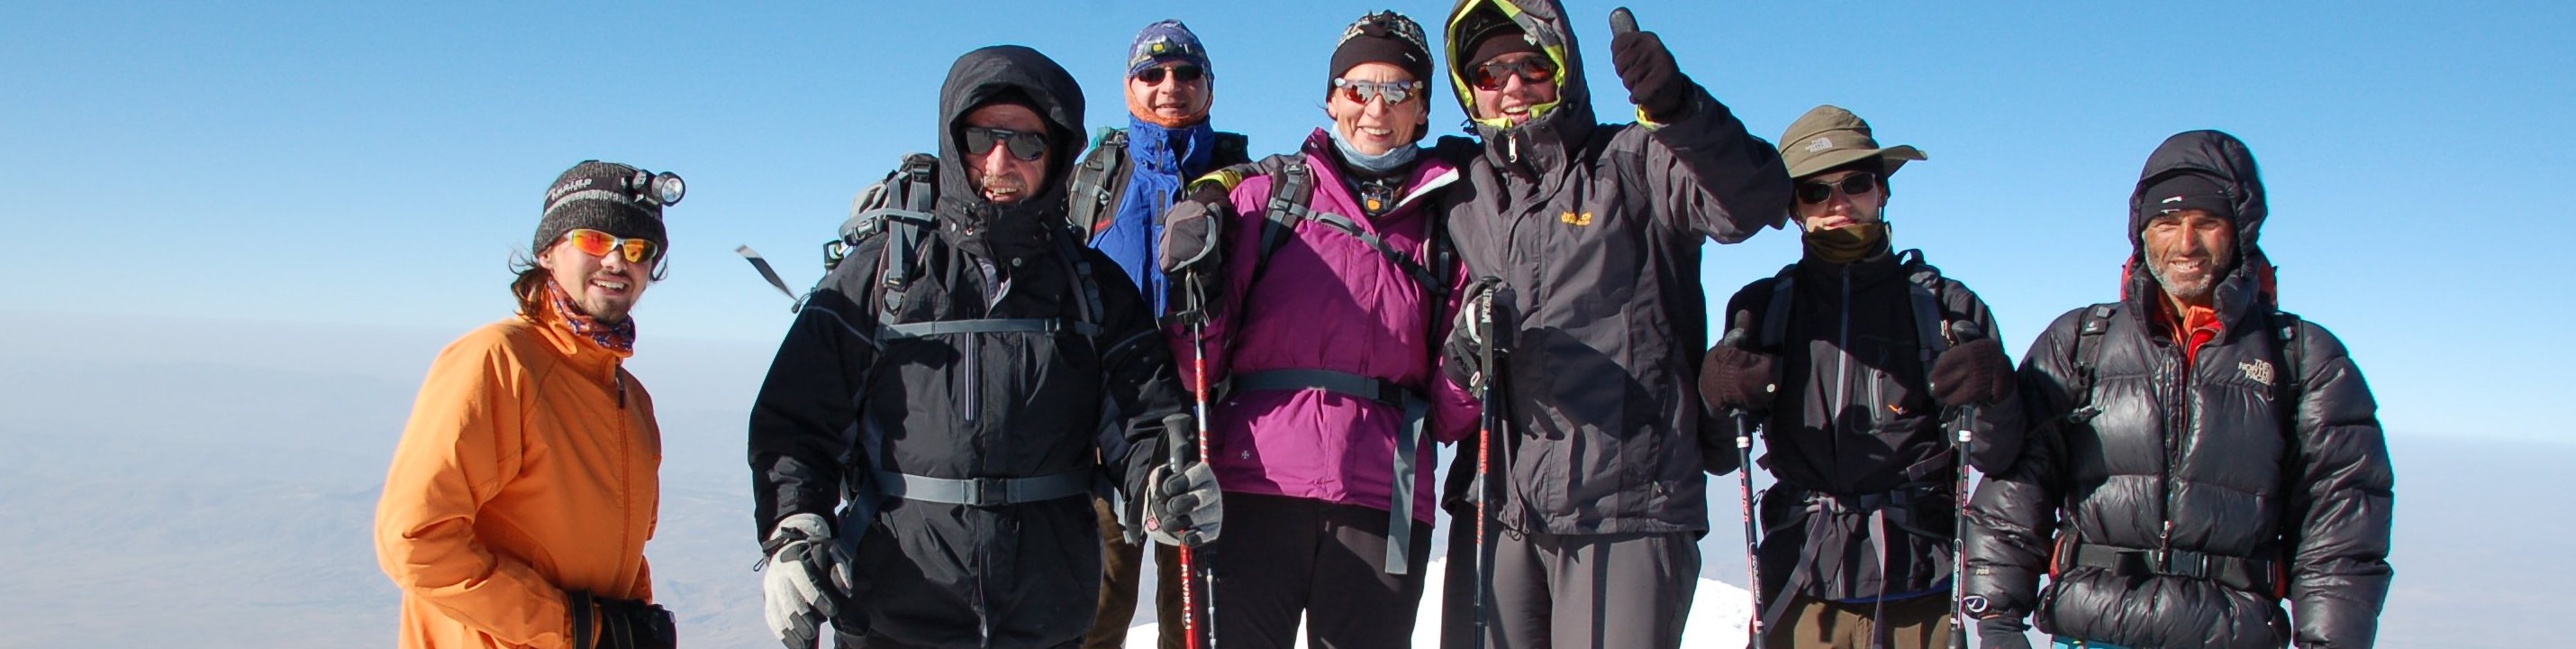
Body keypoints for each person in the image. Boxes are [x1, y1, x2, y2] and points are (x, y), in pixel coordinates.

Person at [747, 45, 1208, 649]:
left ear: (1058, 153)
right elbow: (797, 420)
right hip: (895, 612)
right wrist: (793, 526)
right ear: (952, 140)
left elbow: (1144, 416)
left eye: (1027, 143)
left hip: (1047, 614)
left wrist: (1159, 487)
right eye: (981, 137)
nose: (1001, 159)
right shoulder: (882, 276)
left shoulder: (1092, 288)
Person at [1428, 2, 1794, 647]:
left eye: (1532, 65)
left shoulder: (1634, 161)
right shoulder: (1464, 186)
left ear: (1564, 69)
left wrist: (1677, 107)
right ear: (1469, 89)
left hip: (1626, 506)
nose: (1512, 86)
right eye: (1489, 73)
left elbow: (1752, 202)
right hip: (1497, 503)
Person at [1959, 130, 2394, 649]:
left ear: (2240, 232)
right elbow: (2017, 490)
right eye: (2166, 223)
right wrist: (1998, 620)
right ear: (2141, 235)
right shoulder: (2081, 342)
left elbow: (2340, 521)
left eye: (2206, 223)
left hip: (2230, 634)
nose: (2185, 244)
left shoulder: (2302, 358)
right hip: (2091, 631)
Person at [1151, 11, 1474, 648]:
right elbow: (1197, 368)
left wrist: (1468, 364)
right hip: (1252, 484)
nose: (1375, 109)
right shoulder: (1268, 197)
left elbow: (1452, 418)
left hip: (1389, 496)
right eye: (1358, 89)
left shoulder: (1450, 227)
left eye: (1398, 91)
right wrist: (1202, 294)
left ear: (1424, 111)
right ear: (1331, 100)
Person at [1697, 105, 2026, 649]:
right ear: (1795, 208)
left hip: (1922, 585)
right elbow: (1716, 452)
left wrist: (2000, 393)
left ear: (1883, 191)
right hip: (1802, 583)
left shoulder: (1946, 308)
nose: (1838, 203)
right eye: (1815, 192)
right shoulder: (1760, 309)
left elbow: (1998, 455)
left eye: (1855, 183)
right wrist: (1713, 394)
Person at [375, 160, 685, 649]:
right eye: (593, 240)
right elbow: (416, 541)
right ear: (548, 251)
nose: (616, 261)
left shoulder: (631, 399)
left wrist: (635, 624)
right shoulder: (499, 361)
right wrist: (579, 630)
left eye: (637, 248)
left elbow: (624, 556)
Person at [1072, 20, 1251, 649]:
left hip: (1212, 433)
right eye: (1152, 74)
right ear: (1129, 88)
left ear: (1208, 87)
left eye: (1185, 73)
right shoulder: (1093, 181)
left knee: (1193, 620)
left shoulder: (1245, 184)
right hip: (1108, 435)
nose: (1169, 86)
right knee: (1094, 614)